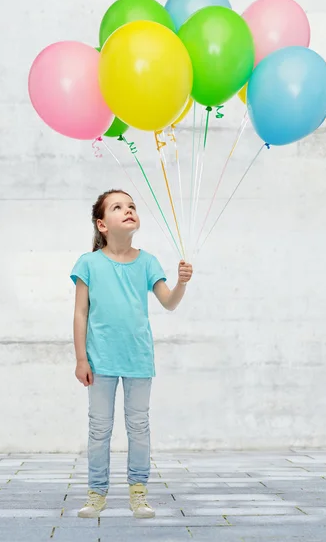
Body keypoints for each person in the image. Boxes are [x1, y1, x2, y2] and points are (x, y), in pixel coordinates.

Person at [70, 189, 193, 519]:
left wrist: (181, 283)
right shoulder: (89, 263)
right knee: (99, 428)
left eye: (132, 206)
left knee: (138, 426)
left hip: (138, 359)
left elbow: (168, 302)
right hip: (100, 361)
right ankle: (97, 492)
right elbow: (81, 312)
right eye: (117, 207)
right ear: (102, 224)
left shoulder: (148, 262)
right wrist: (82, 358)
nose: (128, 210)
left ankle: (138, 492)